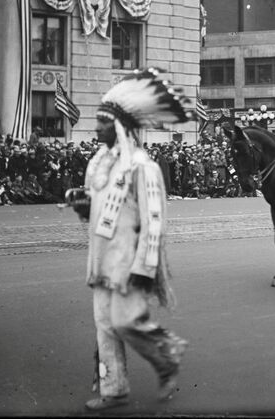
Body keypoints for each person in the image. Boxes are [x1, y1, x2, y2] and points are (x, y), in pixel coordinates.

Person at [71, 67, 191, 410]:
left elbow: (154, 221)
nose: (97, 128)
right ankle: (113, 389)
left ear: (120, 127)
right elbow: (101, 212)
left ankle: (168, 354)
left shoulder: (143, 166)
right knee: (105, 327)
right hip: (101, 261)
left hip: (128, 262)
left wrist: (146, 265)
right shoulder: (102, 165)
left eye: (103, 122)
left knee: (125, 322)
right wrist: (84, 207)